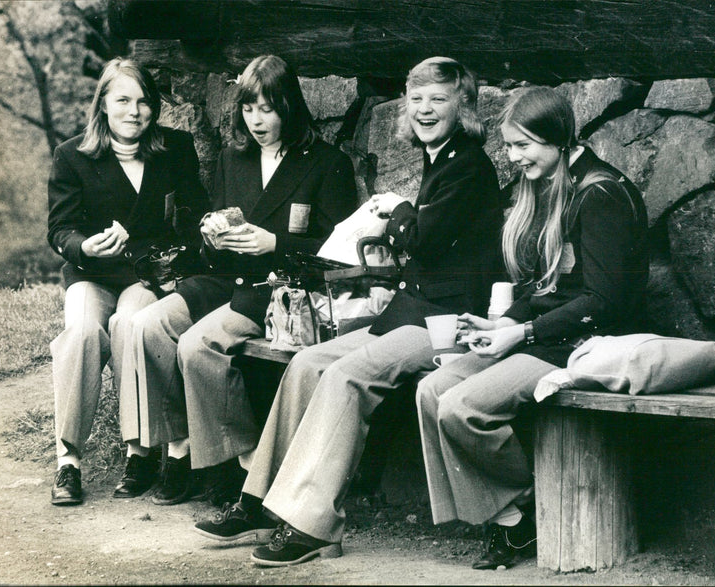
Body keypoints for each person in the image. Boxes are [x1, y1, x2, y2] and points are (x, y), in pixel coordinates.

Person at [194, 56, 505, 567]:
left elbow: (422, 240)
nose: (425, 110)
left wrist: (395, 211)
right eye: (417, 99)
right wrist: (400, 217)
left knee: (345, 376)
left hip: (450, 322)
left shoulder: (467, 164)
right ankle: (258, 501)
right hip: (414, 309)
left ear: (463, 106)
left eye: (439, 99)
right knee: (307, 362)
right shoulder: (441, 157)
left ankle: (315, 524)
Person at [415, 85, 649, 569]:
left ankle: (525, 509)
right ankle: (509, 521)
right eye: (508, 146)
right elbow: (549, 286)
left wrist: (520, 334)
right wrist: (502, 320)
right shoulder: (552, 181)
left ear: (558, 138)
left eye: (523, 145)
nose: (513, 157)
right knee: (431, 391)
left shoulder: (600, 193)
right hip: (547, 335)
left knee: (462, 407)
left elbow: (603, 301)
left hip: (587, 344)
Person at [117, 54, 358, 506]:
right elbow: (218, 223)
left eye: (267, 108)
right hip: (225, 277)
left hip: (281, 289)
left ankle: (239, 467)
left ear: (290, 105)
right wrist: (211, 232)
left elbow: (338, 249)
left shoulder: (326, 162)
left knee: (196, 345)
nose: (257, 120)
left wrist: (275, 244)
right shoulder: (235, 157)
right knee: (148, 326)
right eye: (249, 109)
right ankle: (180, 453)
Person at [47, 57, 209, 505]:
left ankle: (138, 452)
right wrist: (85, 246)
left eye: (143, 102)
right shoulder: (72, 155)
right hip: (92, 272)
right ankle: (68, 461)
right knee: (80, 332)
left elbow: (195, 212)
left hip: (145, 272)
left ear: (154, 108)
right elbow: (60, 229)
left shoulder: (174, 148)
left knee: (128, 325)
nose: (134, 111)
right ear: (103, 104)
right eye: (122, 100)